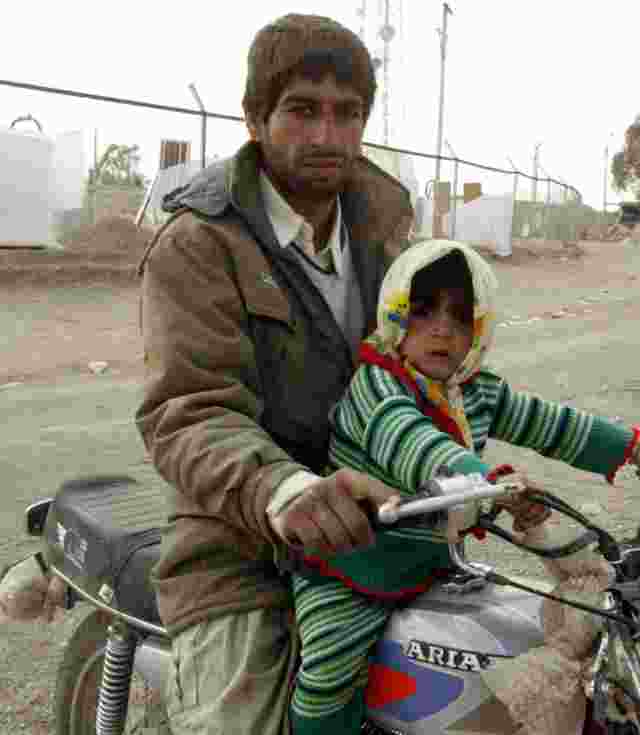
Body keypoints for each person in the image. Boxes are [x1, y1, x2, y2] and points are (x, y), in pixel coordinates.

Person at [135, 14, 417, 735]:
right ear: (256, 118)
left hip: (377, 534)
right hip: (236, 552)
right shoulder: (198, 243)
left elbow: (434, 370)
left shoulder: (387, 230)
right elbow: (187, 411)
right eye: (302, 109)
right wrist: (283, 488)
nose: (327, 136)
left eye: (347, 113)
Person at [281, 239, 640, 734]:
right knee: (329, 675)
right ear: (394, 316)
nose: (441, 330)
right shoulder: (376, 388)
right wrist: (489, 482)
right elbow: (415, 444)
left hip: (434, 564)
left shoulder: (475, 389)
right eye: (423, 312)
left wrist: (635, 447)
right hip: (349, 569)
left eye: (460, 318)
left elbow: (550, 423)